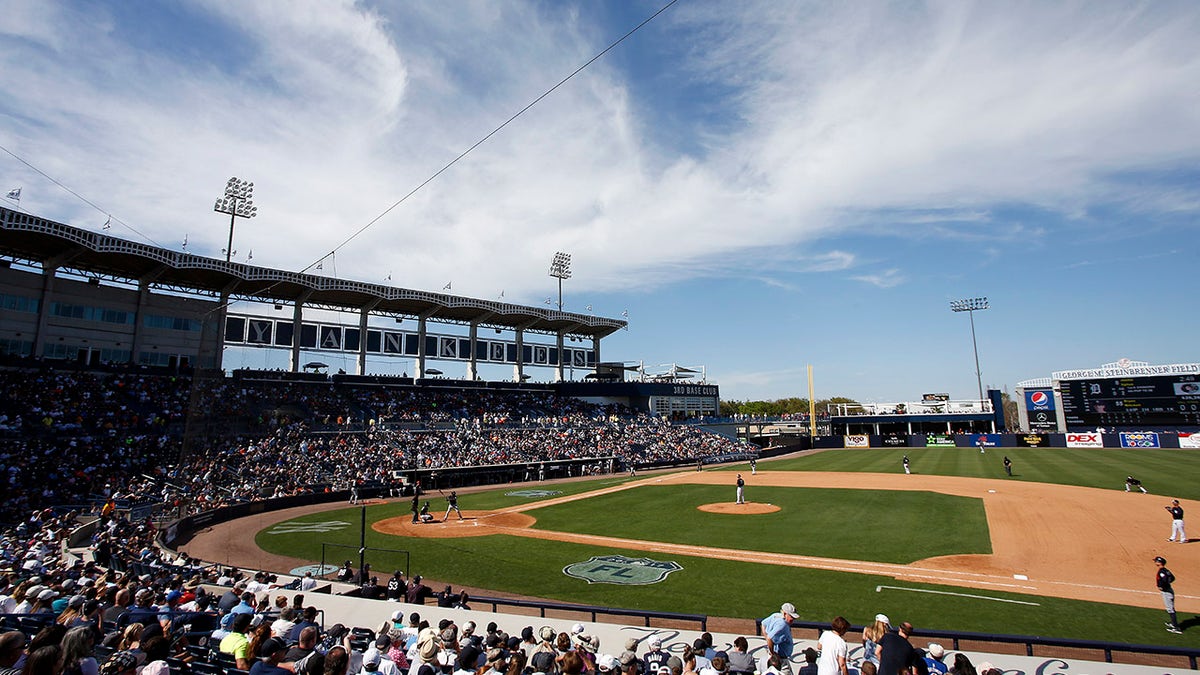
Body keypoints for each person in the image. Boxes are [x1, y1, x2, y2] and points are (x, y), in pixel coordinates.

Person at [761, 603, 796, 675]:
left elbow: (763, 624)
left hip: (775, 659)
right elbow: (769, 637)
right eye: (791, 616)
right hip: (781, 661)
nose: (793, 619)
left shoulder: (775, 615)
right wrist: (772, 652)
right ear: (785, 614)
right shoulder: (782, 624)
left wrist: (768, 643)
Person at [1156, 556, 1183, 633]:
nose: (1155, 562)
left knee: (1170, 609)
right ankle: (1173, 623)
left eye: (1156, 561)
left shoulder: (1162, 572)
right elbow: (1172, 578)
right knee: (1170, 608)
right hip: (1169, 590)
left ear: (1159, 562)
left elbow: (1164, 580)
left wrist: (1162, 587)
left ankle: (1176, 628)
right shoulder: (1166, 570)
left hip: (1166, 592)